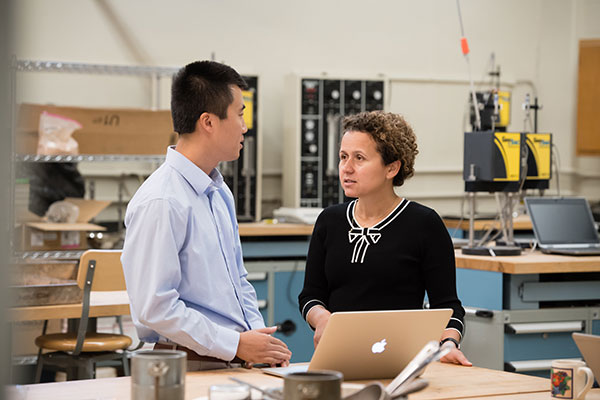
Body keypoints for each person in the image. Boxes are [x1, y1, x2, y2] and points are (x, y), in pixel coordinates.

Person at [121, 60, 291, 371]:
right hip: (188, 364)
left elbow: (239, 281)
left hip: (233, 360)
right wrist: (235, 345)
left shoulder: (218, 192)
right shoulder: (162, 201)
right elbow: (155, 308)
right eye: (239, 115)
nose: (244, 126)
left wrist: (258, 344)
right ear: (208, 122)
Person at [298, 111, 471, 366]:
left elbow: (448, 307)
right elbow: (310, 296)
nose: (346, 168)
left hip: (403, 363)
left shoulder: (425, 224)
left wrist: (447, 344)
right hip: (336, 360)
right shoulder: (329, 221)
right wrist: (323, 320)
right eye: (343, 157)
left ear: (392, 167)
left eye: (359, 158)